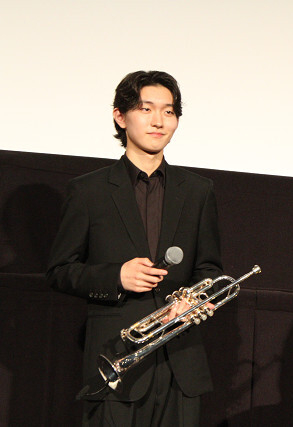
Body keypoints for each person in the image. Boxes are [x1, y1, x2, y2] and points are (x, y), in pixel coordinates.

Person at [47, 70, 223, 426]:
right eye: (146, 109)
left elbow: (210, 268)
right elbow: (60, 271)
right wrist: (117, 277)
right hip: (116, 362)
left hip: (180, 365)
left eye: (169, 111)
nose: (159, 121)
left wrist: (192, 301)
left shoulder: (198, 191)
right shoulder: (89, 191)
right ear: (120, 116)